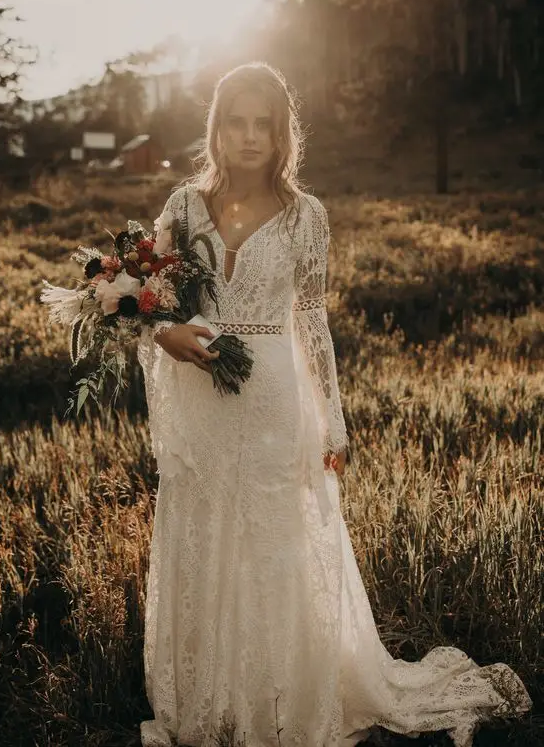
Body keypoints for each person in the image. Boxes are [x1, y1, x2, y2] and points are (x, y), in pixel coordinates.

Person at [137, 62, 532, 747]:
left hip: (273, 398)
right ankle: (209, 696)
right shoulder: (181, 207)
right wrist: (170, 335)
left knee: (273, 541)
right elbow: (153, 303)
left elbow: (312, 324)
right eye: (238, 122)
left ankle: (279, 694)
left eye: (265, 123)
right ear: (218, 129)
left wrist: (335, 417)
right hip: (201, 394)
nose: (251, 136)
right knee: (202, 529)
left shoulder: (304, 216)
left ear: (283, 133)